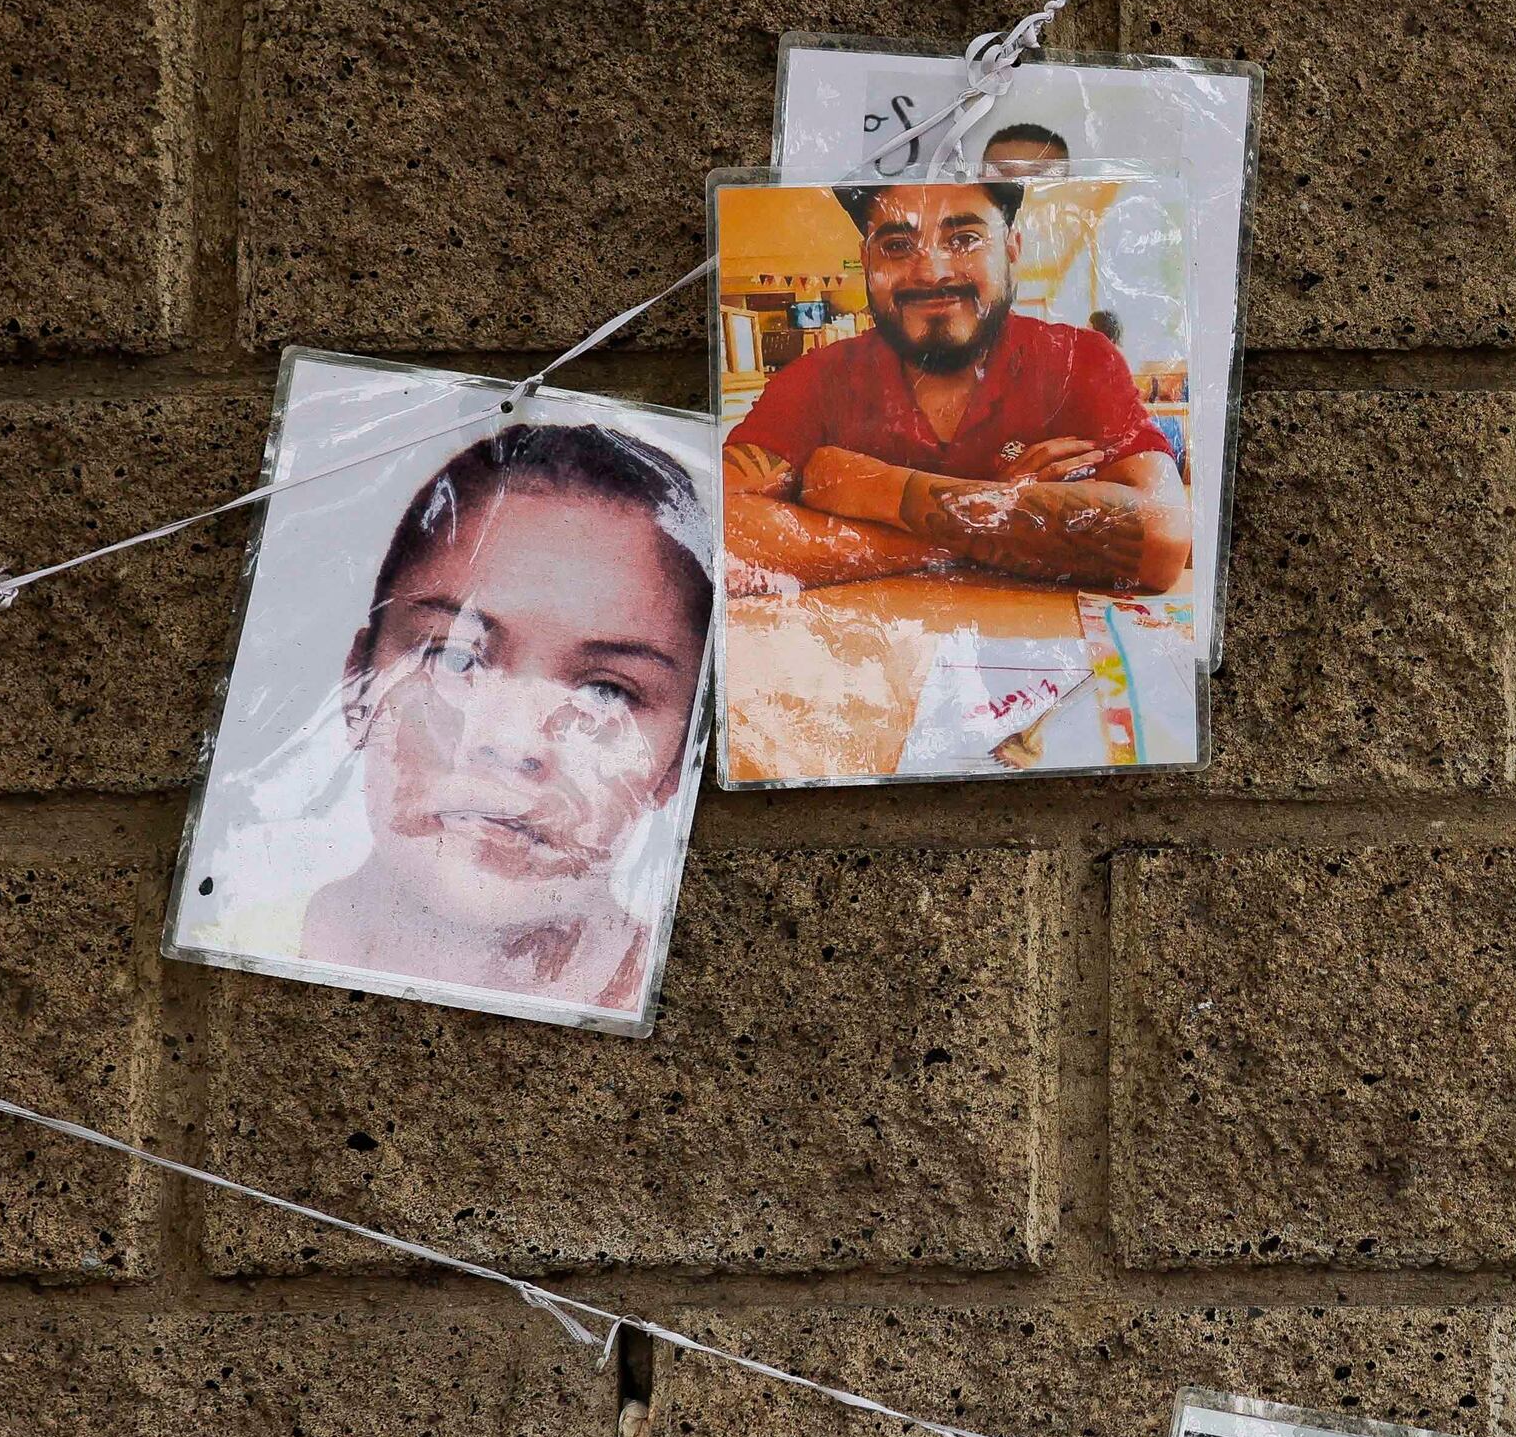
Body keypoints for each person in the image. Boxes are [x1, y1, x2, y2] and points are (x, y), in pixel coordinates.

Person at [210, 417, 711, 1019]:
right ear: (358, 685)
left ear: (680, 757)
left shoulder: (699, 1011)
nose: (511, 742)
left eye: (607, 692)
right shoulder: (229, 950)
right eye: (455, 657)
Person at [722, 179, 1192, 601]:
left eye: (964, 239)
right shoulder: (816, 378)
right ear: (867, 260)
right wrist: (997, 517)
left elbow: (1162, 539)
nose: (931, 272)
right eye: (898, 245)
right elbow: (715, 530)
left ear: (1011, 248)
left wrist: (881, 492)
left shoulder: (1080, 361)